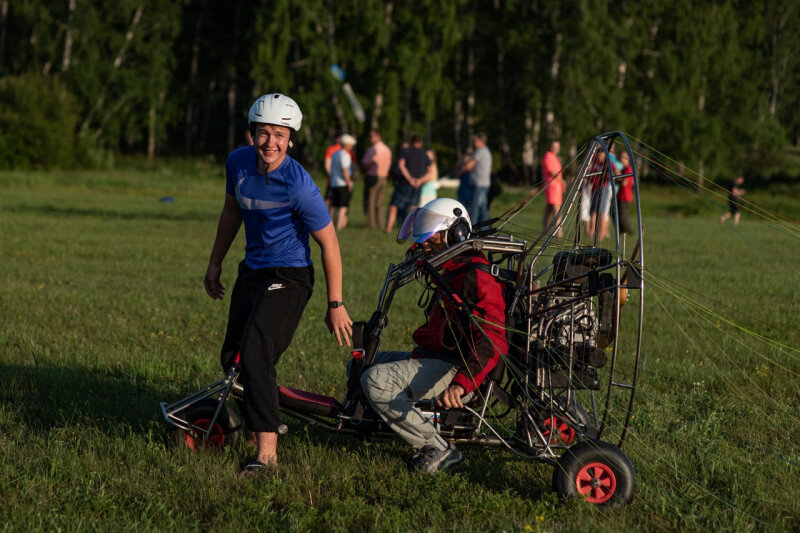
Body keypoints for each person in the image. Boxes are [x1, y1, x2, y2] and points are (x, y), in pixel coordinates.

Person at [204, 93, 352, 477]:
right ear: (252, 133)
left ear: (291, 139)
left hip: (290, 276)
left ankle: (266, 455)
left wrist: (335, 303)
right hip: (253, 270)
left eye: (279, 135)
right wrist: (215, 262)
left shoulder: (299, 186)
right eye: (263, 133)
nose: (270, 142)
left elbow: (330, 243)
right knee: (233, 357)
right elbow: (231, 211)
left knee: (255, 353)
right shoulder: (237, 163)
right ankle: (262, 421)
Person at [361, 198, 508, 474]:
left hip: (457, 372)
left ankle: (438, 448)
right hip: (434, 358)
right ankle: (373, 420)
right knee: (360, 365)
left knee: (375, 381)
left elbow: (494, 338)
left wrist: (461, 384)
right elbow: (422, 248)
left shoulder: (476, 276)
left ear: (456, 235)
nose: (425, 244)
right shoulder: (451, 265)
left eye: (431, 237)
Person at [385, 134, 430, 234]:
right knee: (413, 207)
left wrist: (410, 179)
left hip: (404, 183)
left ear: (411, 142)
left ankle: (388, 228)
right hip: (417, 184)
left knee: (394, 205)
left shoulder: (405, 151)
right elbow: (429, 172)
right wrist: (419, 181)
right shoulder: (424, 154)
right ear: (420, 143)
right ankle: (410, 230)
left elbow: (401, 165)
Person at [361, 129, 392, 229]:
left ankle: (372, 224)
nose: (370, 138)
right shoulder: (387, 149)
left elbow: (365, 163)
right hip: (384, 177)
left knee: (371, 201)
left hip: (373, 177)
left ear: (378, 136)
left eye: (371, 136)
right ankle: (381, 224)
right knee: (380, 203)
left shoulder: (372, 150)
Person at [460, 132, 492, 224]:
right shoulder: (486, 151)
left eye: (475, 141)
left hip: (479, 184)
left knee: (475, 209)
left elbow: (469, 166)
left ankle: (472, 228)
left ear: (479, 141)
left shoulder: (480, 151)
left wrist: (461, 168)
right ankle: (484, 228)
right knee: (483, 209)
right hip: (484, 184)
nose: (474, 143)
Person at [329, 134, 356, 230]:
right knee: (343, 206)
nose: (352, 147)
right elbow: (345, 171)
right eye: (351, 145)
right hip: (343, 184)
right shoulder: (345, 155)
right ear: (346, 144)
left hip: (334, 183)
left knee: (333, 205)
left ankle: (330, 224)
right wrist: (349, 183)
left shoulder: (335, 154)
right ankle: (340, 226)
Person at [541, 140, 565, 238]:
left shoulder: (554, 157)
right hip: (552, 186)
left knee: (549, 210)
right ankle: (559, 233)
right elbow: (551, 171)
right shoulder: (548, 156)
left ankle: (545, 230)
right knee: (557, 210)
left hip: (556, 187)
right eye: (554, 146)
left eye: (557, 146)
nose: (556, 148)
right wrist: (562, 181)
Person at [615, 151, 635, 235]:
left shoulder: (629, 169)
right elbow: (616, 181)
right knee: (617, 215)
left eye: (623, 157)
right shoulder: (623, 169)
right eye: (621, 157)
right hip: (619, 196)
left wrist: (618, 176)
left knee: (622, 217)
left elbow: (624, 183)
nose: (621, 159)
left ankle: (630, 232)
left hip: (625, 197)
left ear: (628, 159)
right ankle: (622, 232)